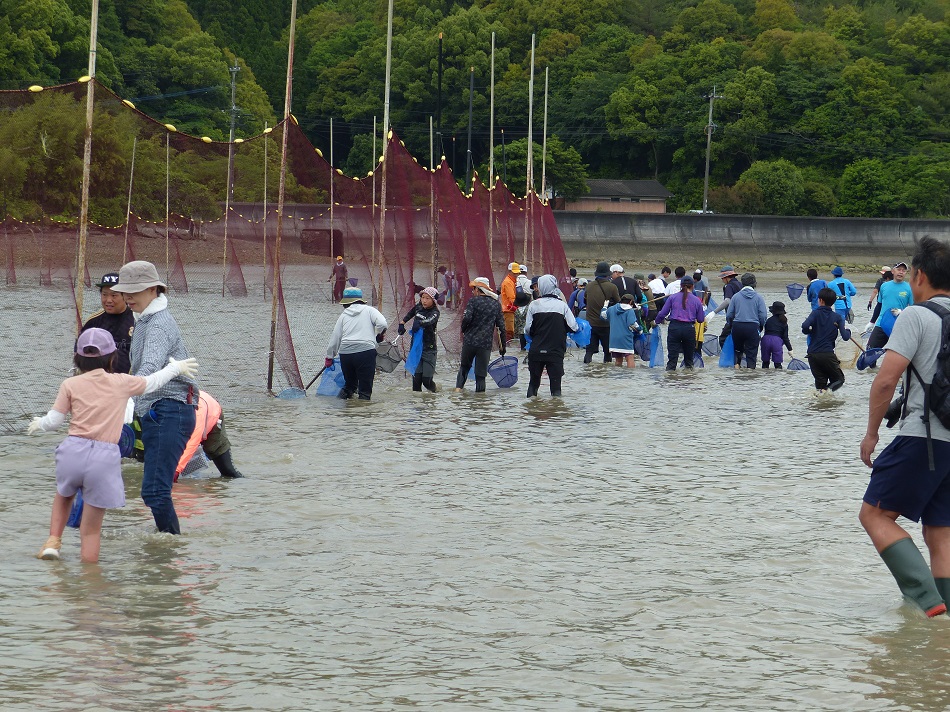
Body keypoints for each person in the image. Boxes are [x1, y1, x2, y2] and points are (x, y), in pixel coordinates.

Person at [28, 328, 198, 561]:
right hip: (104, 458)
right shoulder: (121, 382)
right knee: (91, 531)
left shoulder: (70, 384)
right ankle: (90, 582)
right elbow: (152, 382)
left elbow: (55, 421)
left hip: (72, 452)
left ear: (77, 358)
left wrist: (41, 423)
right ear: (111, 358)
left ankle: (53, 541)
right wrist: (175, 368)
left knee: (63, 495)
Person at [859, 236, 950, 618]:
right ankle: (945, 611)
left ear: (920, 275)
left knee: (875, 514)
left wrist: (872, 432)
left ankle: (928, 602)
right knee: (940, 530)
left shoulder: (917, 315)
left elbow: (886, 379)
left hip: (923, 436)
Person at [111, 260, 198, 536]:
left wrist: (117, 391)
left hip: (170, 409)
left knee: (155, 492)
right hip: (156, 411)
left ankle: (170, 550)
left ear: (153, 289)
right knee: (152, 492)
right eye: (125, 292)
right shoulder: (145, 320)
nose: (127, 298)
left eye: (133, 292)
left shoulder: (158, 323)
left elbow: (148, 367)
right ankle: (166, 547)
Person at [325, 286, 388, 400]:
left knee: (350, 386)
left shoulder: (343, 316)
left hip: (346, 354)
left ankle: (340, 409)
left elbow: (336, 337)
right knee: (365, 390)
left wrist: (329, 356)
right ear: (360, 300)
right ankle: (362, 415)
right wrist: (379, 335)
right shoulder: (369, 310)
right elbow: (383, 324)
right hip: (365, 353)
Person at [524, 274, 578, 397]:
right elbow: (574, 327)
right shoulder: (562, 306)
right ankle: (556, 413)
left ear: (541, 287)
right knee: (556, 388)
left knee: (533, 384)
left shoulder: (534, 305)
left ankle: (531, 413)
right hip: (555, 351)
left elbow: (527, 329)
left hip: (536, 350)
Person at [172, 390, 243, 480]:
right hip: (187, 412)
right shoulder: (160, 408)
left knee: (228, 472)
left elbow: (190, 445)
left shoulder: (196, 416)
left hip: (212, 415)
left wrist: (175, 473)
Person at [455, 277, 506, 392]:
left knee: (464, 367)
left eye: (473, 289)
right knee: (481, 375)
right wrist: (502, 349)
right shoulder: (496, 304)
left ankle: (457, 393)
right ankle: (480, 401)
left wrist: (464, 330)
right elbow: (501, 328)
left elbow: (466, 318)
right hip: (485, 344)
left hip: (470, 341)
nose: (473, 292)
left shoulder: (473, 301)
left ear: (478, 290)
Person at [80, 272, 135, 374]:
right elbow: (79, 353)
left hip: (127, 382)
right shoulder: (93, 322)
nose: (108, 300)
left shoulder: (136, 320)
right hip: (98, 382)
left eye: (114, 295)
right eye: (104, 295)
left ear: (125, 296)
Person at [801, 287, 850, 392]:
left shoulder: (815, 313)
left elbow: (805, 326)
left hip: (812, 355)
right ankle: (825, 393)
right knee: (839, 379)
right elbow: (845, 337)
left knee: (820, 383)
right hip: (827, 354)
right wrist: (849, 331)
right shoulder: (837, 317)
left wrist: (809, 331)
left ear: (821, 300)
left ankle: (821, 400)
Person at [655, 276, 706, 370]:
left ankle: (671, 381)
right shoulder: (697, 300)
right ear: (693, 286)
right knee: (689, 361)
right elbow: (700, 319)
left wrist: (656, 321)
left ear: (681, 286)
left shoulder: (672, 297)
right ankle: (687, 381)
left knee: (672, 360)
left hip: (674, 328)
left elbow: (662, 313)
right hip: (689, 329)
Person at [397, 286, 441, 393]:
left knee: (426, 380)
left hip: (429, 349)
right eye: (423, 297)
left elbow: (430, 320)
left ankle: (435, 394)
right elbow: (410, 313)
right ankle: (417, 406)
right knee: (416, 382)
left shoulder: (435, 312)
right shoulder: (418, 307)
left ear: (433, 301)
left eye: (428, 298)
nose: (424, 301)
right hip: (416, 348)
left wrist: (420, 323)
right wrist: (402, 323)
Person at [867, 262, 914, 350]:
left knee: (897, 353)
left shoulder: (909, 288)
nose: (901, 272)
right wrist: (872, 322)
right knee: (870, 350)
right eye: (899, 270)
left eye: (903, 271)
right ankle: (874, 364)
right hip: (881, 324)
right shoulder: (884, 286)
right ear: (893, 271)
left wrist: (902, 312)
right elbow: (879, 305)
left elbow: (913, 309)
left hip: (898, 326)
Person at [726, 273, 767, 369]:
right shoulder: (758, 298)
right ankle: (750, 374)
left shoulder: (736, 297)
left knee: (737, 351)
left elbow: (729, 314)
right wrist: (760, 326)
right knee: (751, 354)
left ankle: (737, 368)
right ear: (754, 284)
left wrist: (731, 324)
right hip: (753, 327)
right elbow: (763, 316)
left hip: (737, 326)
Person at [584, 261, 620, 364]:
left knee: (589, 351)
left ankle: (587, 370)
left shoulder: (589, 286)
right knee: (607, 352)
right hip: (606, 324)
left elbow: (585, 300)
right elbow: (618, 303)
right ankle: (605, 376)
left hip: (591, 324)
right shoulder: (612, 287)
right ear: (608, 274)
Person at [707, 264, 742, 346]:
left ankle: (727, 357)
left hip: (733, 317)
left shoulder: (729, 286)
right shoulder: (740, 284)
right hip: (742, 317)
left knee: (723, 339)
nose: (722, 280)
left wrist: (714, 312)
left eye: (723, 278)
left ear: (726, 278)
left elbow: (727, 301)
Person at [606, 293, 643, 367]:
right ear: (630, 302)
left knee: (618, 360)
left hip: (614, 339)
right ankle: (630, 377)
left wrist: (604, 306)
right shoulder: (629, 310)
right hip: (625, 338)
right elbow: (632, 324)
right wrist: (640, 329)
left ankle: (617, 377)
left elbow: (603, 315)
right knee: (629, 358)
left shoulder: (611, 309)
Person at [761, 301, 793, 369]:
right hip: (777, 341)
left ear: (773, 311)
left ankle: (764, 379)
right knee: (778, 366)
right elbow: (785, 338)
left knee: (765, 363)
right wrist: (790, 349)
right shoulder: (784, 322)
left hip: (765, 340)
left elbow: (765, 332)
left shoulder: (768, 320)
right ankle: (777, 379)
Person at [500, 262, 520, 342]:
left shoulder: (512, 281)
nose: (516, 275)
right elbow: (512, 298)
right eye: (514, 273)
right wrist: (519, 306)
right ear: (509, 271)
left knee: (511, 330)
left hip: (511, 309)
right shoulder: (508, 282)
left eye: (517, 273)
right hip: (508, 310)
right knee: (509, 331)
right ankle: (508, 347)